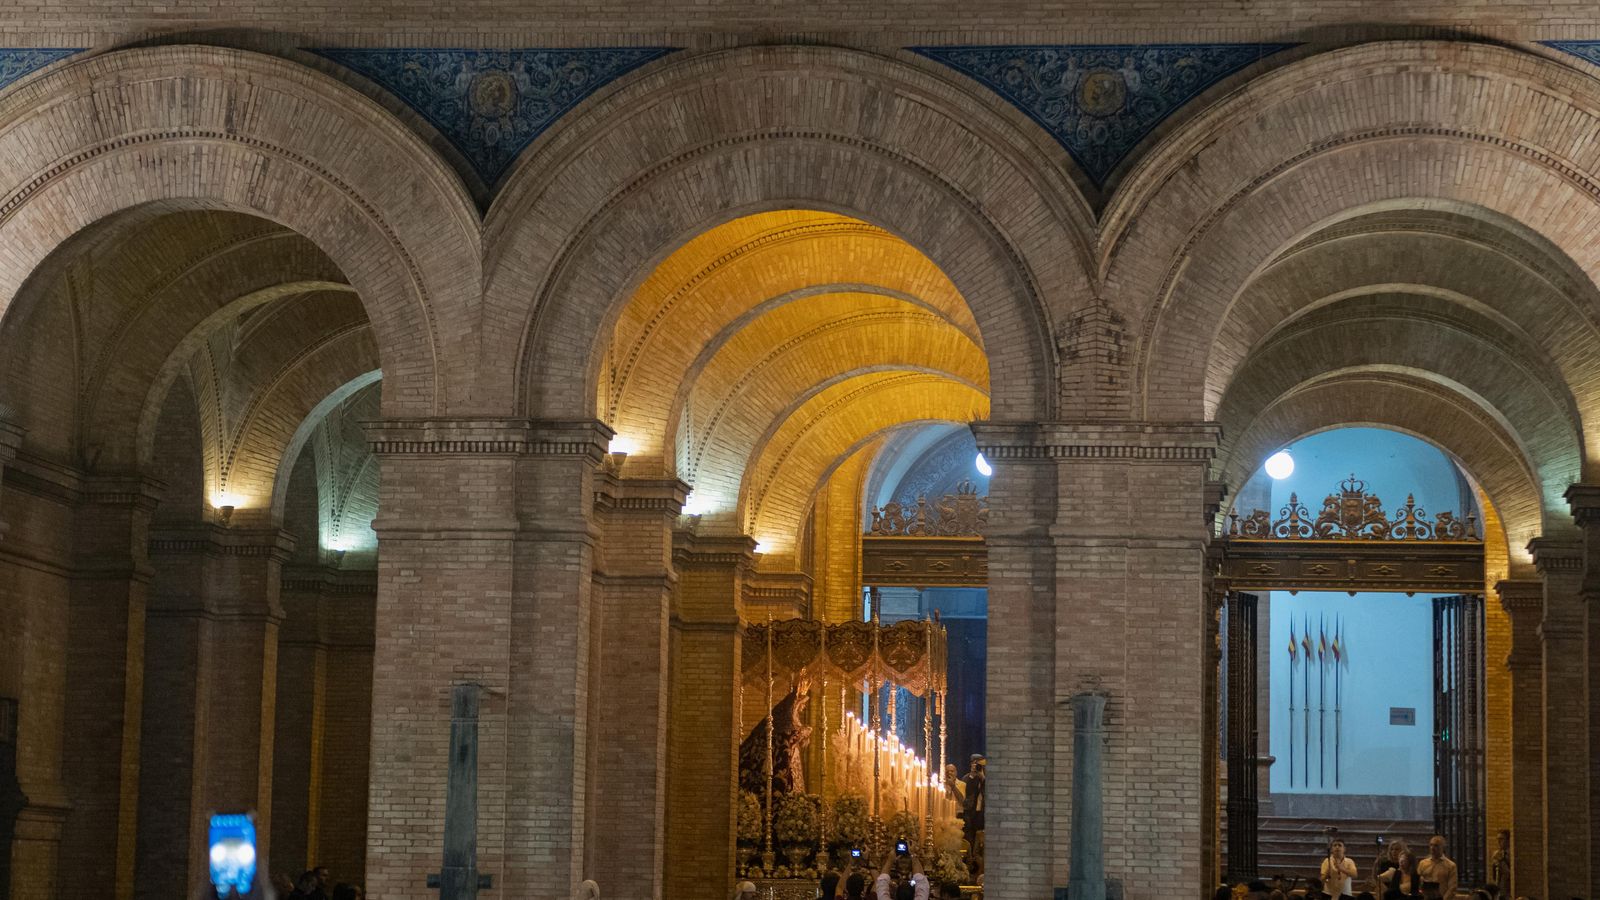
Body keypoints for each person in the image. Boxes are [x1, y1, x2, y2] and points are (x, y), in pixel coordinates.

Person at [1489, 830, 1511, 898]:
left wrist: (1501, 861)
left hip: (1509, 888)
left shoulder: (1512, 854)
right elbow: (1494, 874)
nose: (1499, 842)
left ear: (1508, 840)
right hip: (1500, 888)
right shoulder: (1497, 853)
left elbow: (1508, 873)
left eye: (1501, 839)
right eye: (1498, 839)